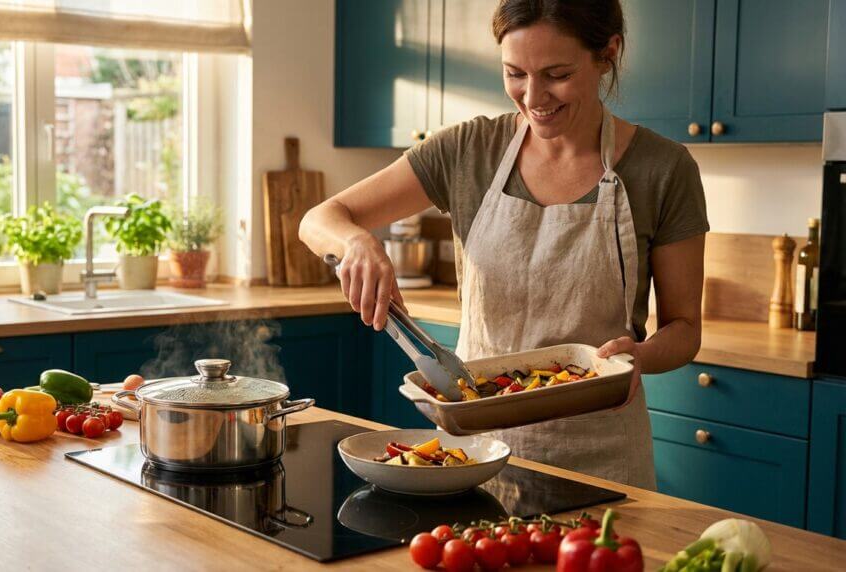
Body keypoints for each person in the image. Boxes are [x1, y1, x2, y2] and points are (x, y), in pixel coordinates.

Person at [299, 0, 709, 489]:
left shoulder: (663, 169)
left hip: (603, 460)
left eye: (556, 74)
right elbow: (319, 218)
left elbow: (685, 329)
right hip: (473, 455)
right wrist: (357, 243)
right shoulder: (468, 151)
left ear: (608, 53)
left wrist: (634, 360)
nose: (533, 96)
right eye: (514, 73)